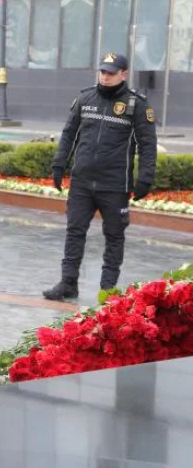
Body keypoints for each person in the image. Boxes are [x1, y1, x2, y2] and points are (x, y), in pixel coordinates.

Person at [42, 53, 158, 301]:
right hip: (82, 182)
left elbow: (148, 144)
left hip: (115, 185)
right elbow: (69, 133)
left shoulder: (137, 105)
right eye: (102, 72)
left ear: (124, 74)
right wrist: (58, 166)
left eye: (111, 73)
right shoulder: (85, 98)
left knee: (114, 236)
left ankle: (107, 291)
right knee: (74, 231)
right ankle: (68, 283)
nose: (105, 77)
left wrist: (145, 178)